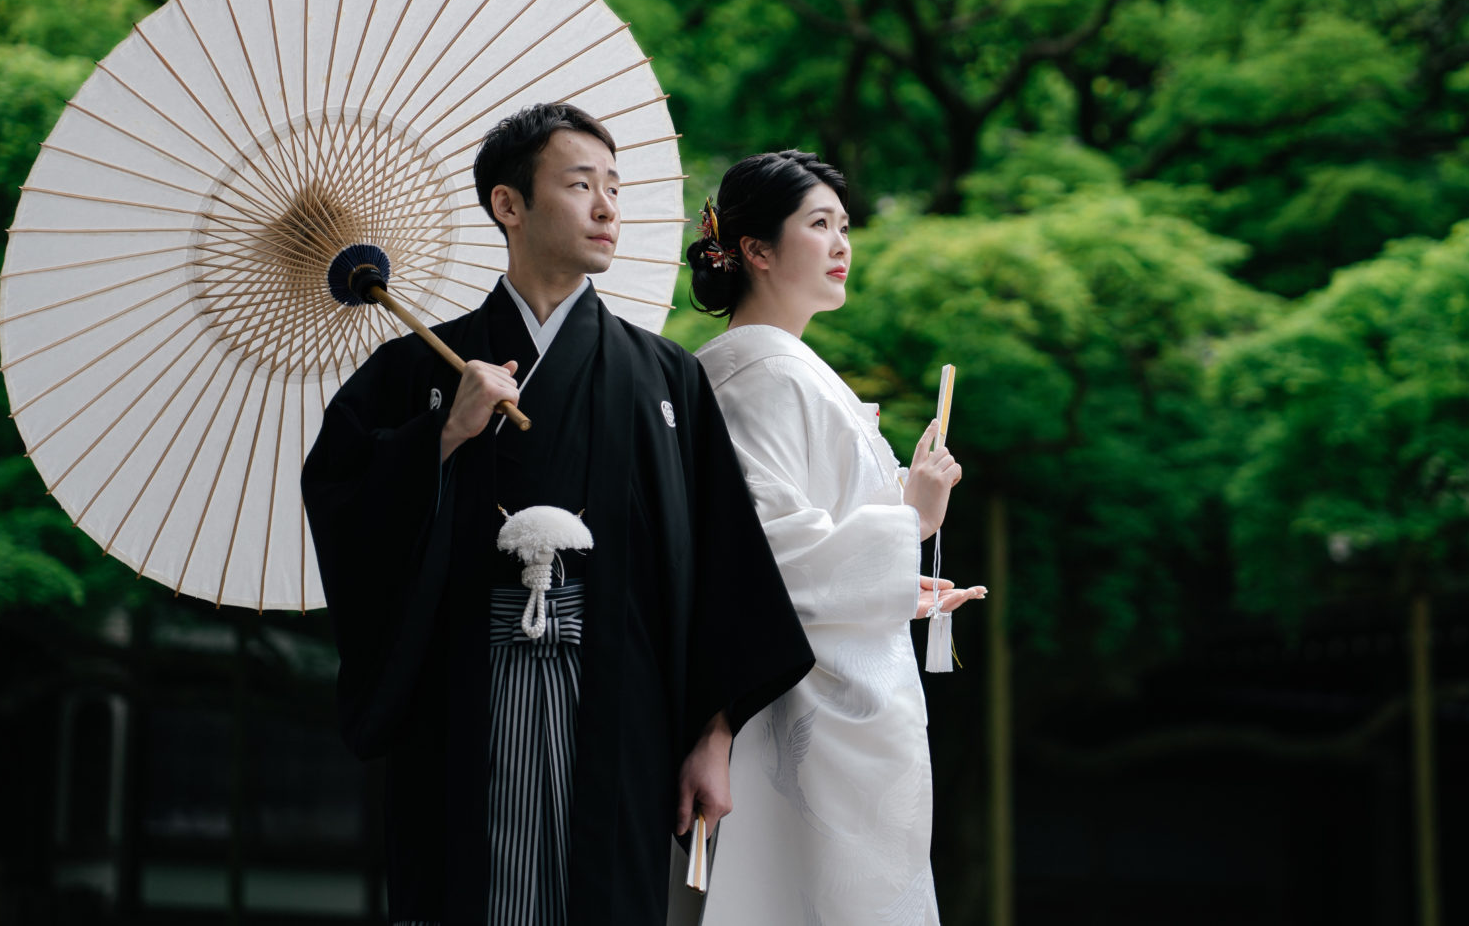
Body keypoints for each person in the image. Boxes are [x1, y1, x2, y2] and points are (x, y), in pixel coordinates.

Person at [301, 104, 813, 926]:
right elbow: (345, 506)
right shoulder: (413, 373)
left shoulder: (666, 379)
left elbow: (728, 568)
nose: (607, 207)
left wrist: (713, 736)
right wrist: (443, 433)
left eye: (614, 187)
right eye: (580, 185)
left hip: (620, 710)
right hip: (460, 703)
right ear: (508, 204)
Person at [688, 150, 985, 926]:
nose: (842, 243)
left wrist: (894, 581)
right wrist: (911, 519)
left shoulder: (792, 370)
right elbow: (771, 555)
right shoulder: (757, 375)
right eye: (819, 224)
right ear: (755, 249)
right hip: (803, 708)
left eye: (845, 225)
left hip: (849, 699)